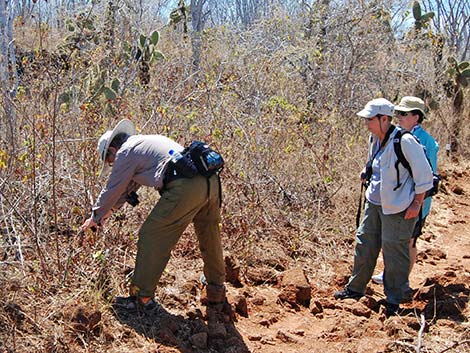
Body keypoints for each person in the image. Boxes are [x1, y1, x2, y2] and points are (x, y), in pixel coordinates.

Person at [81, 119, 226, 311]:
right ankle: (216, 290)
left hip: (185, 187)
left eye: (109, 161)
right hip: (210, 182)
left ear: (112, 151)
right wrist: (105, 215)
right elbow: (125, 191)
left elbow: (113, 188)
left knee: (151, 235)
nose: (112, 164)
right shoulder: (144, 144)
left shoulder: (125, 152)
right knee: (209, 234)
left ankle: (141, 298)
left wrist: (95, 216)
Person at [334, 98, 434, 316]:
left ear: (384, 119)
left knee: (394, 252)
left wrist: (417, 203)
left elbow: (425, 176)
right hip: (374, 202)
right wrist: (366, 171)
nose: (367, 123)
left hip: (399, 207)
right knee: (364, 243)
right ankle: (355, 289)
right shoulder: (374, 138)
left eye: (371, 119)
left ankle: (395, 299)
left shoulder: (405, 141)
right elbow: (376, 164)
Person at [371, 96, 439, 285]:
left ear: (416, 117)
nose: (398, 117)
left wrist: (417, 203)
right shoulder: (394, 136)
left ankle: (402, 281)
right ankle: (391, 276)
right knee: (395, 240)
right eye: (397, 113)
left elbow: (430, 179)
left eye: (403, 113)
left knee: (409, 240)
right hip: (397, 201)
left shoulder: (426, 142)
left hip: (416, 203)